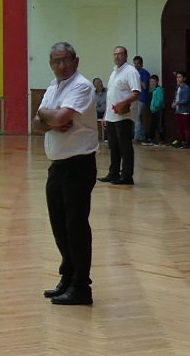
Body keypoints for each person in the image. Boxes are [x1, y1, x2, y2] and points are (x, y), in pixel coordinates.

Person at [35, 42, 98, 306]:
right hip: (57, 166)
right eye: (56, 61)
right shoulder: (52, 87)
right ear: (50, 64)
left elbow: (60, 118)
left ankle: (82, 287)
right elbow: (37, 124)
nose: (61, 66)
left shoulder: (82, 86)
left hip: (78, 165)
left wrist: (47, 117)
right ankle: (68, 277)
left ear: (76, 61)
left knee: (76, 227)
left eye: (66, 60)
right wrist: (46, 117)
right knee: (60, 228)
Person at [103, 46, 141, 185]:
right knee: (113, 146)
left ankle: (127, 175)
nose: (117, 56)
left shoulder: (131, 71)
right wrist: (106, 115)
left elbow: (136, 92)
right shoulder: (114, 72)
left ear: (126, 56)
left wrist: (123, 103)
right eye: (115, 54)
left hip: (124, 115)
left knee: (124, 146)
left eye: (120, 54)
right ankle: (113, 173)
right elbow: (110, 96)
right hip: (112, 115)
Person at [133, 56, 152, 142]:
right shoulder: (134, 73)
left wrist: (138, 79)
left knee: (138, 117)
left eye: (138, 63)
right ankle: (140, 135)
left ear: (141, 64)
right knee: (137, 117)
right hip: (135, 98)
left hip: (142, 98)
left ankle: (138, 136)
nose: (136, 65)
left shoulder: (144, 73)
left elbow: (144, 85)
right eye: (135, 63)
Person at [173, 71, 190, 147]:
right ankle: (180, 140)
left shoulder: (186, 88)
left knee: (186, 127)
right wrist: (174, 102)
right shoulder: (178, 88)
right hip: (179, 110)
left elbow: (185, 100)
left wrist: (177, 103)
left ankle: (187, 141)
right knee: (180, 127)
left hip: (185, 111)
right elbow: (176, 97)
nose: (178, 79)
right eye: (177, 77)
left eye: (180, 77)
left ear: (184, 78)